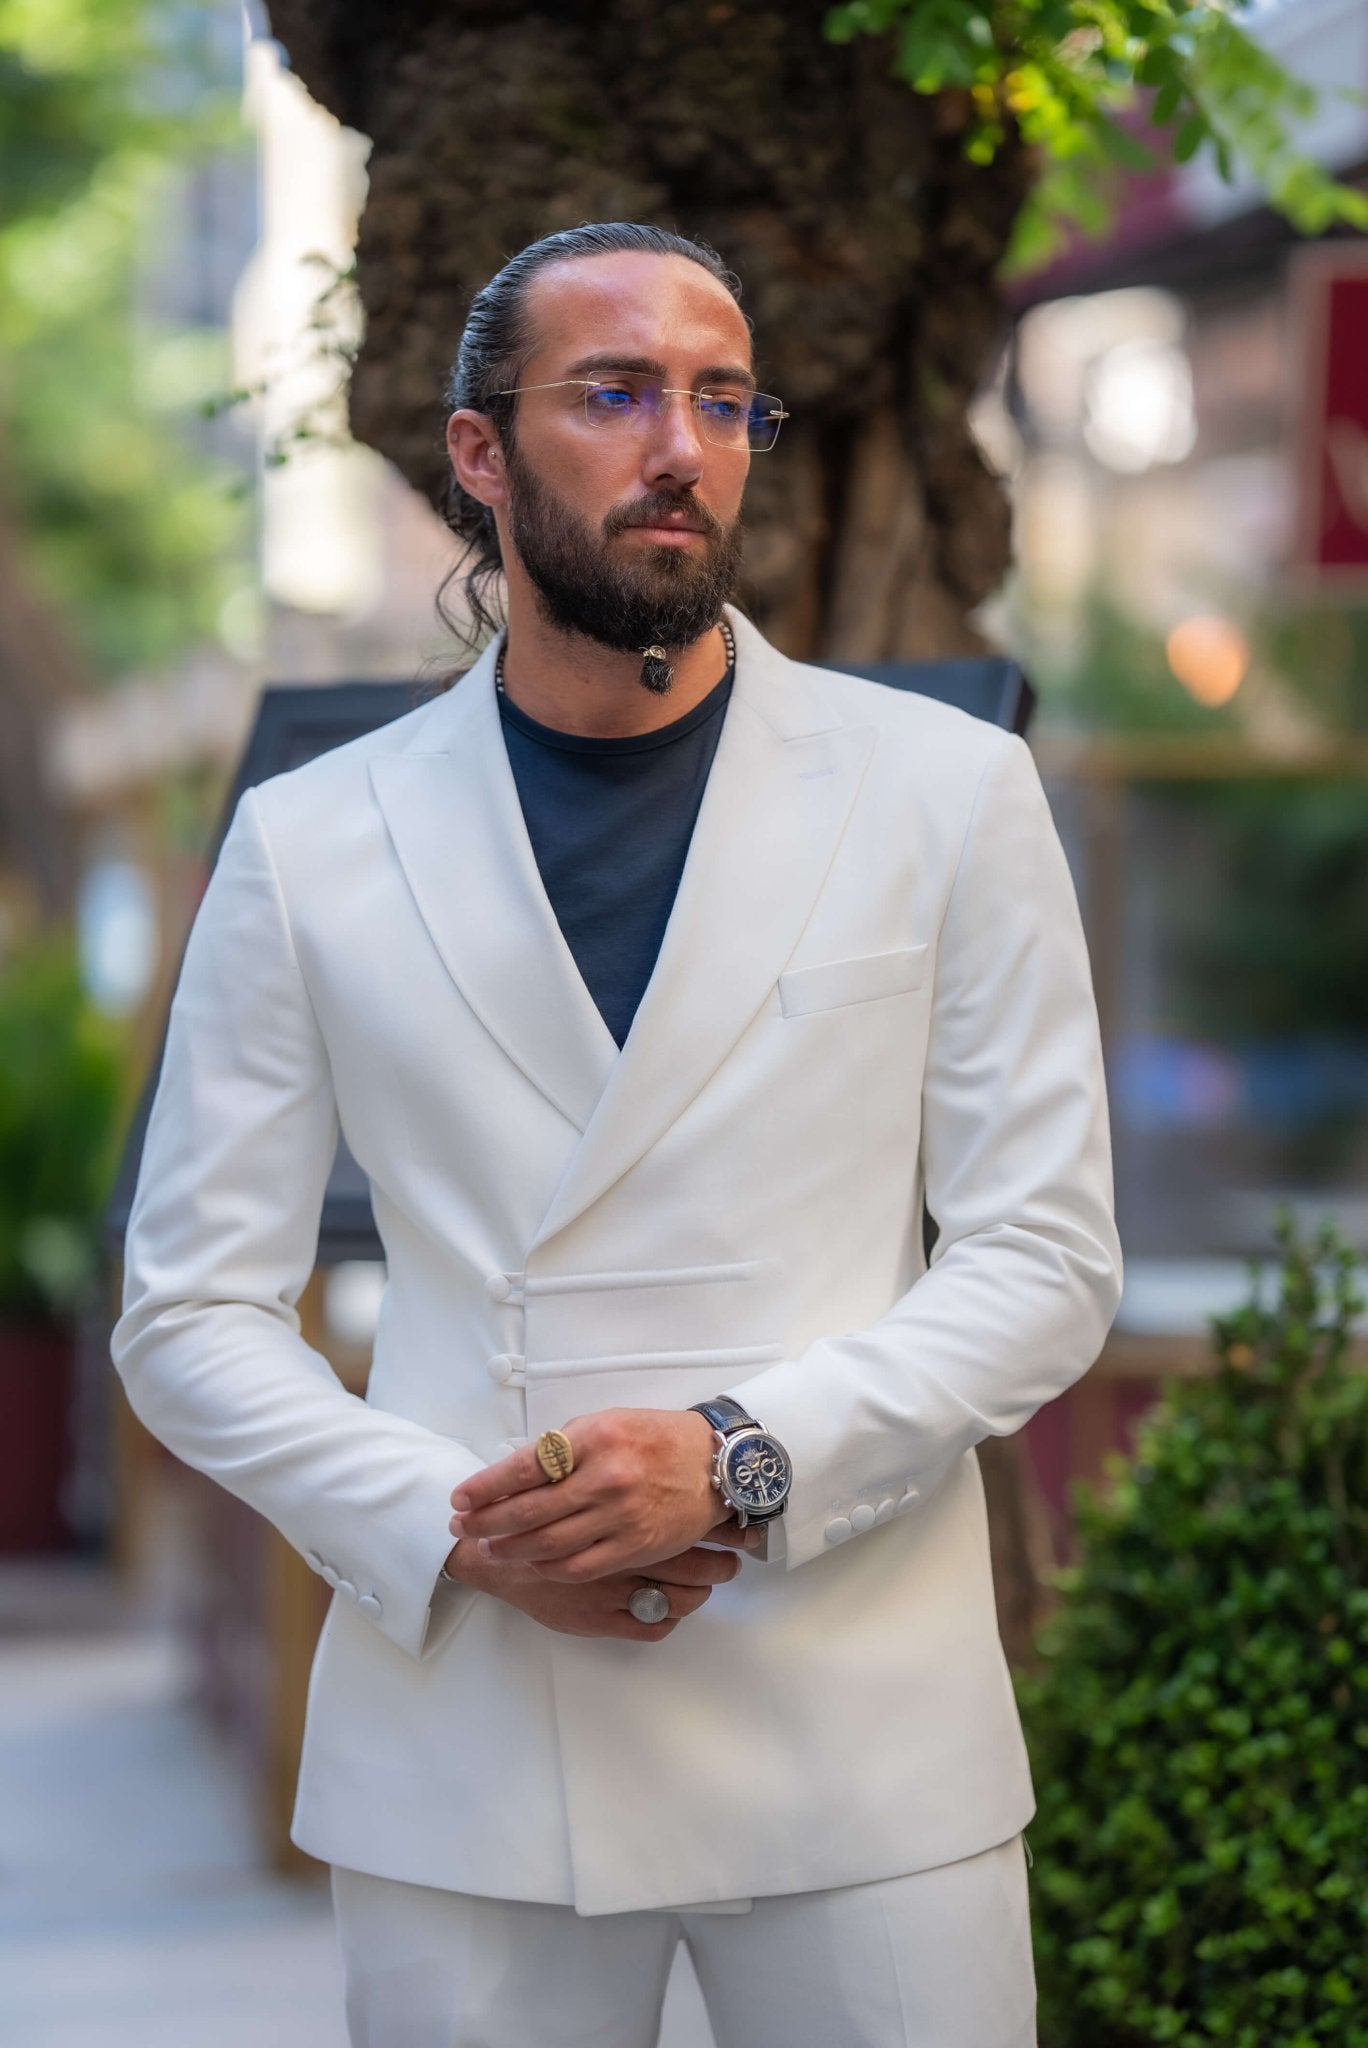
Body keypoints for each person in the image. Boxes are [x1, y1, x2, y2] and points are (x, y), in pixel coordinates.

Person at [111, 221, 1123, 2047]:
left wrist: (743, 1455)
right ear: (481, 453)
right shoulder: (311, 840)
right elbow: (187, 1312)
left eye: (725, 400)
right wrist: (453, 1526)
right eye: (618, 393)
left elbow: (1046, 1257)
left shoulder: (947, 792)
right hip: (475, 1722)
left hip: (862, 1734)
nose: (685, 444)